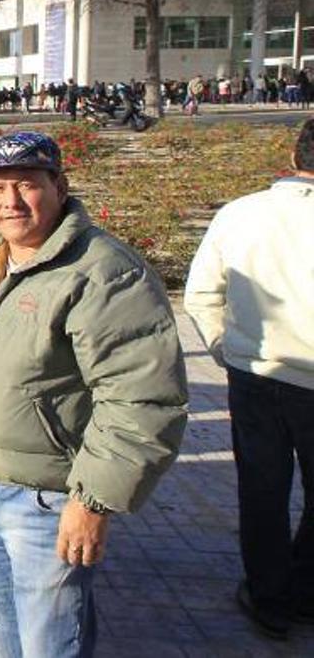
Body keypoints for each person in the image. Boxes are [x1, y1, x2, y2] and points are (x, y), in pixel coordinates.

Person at [0, 130, 187, 657]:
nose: (9, 202)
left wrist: (93, 500)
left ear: (58, 186)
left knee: (49, 645)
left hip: (49, 499)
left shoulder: (103, 273)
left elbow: (141, 400)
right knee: (3, 634)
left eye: (25, 185)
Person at [183, 118, 314, 640]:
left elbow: (200, 294)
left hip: (256, 376)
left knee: (263, 490)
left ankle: (268, 597)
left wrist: (225, 350)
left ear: (292, 151)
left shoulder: (240, 214)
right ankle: (304, 589)